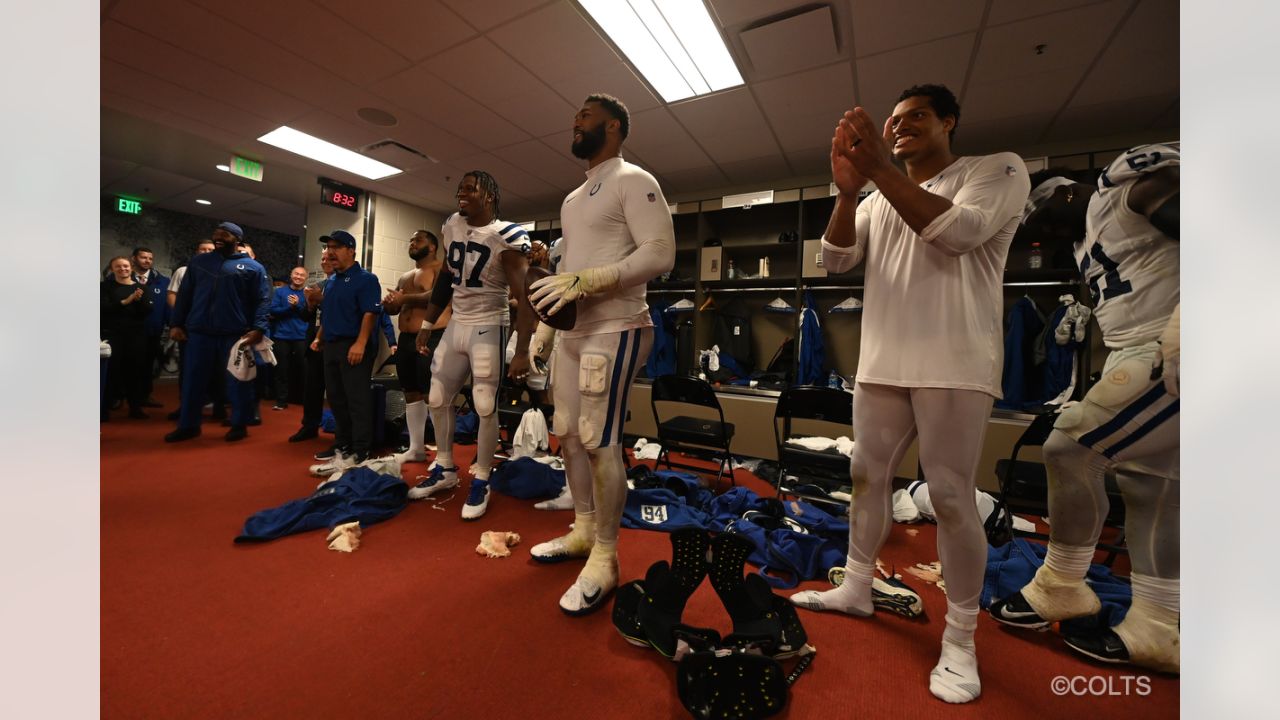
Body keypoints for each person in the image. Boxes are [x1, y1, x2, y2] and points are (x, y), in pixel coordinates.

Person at [784, 85, 1030, 703]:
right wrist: (847, 192)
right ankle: (858, 587)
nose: (900, 126)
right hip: (882, 362)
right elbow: (836, 261)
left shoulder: (993, 169)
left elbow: (958, 232)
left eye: (916, 115)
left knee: (949, 496)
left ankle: (960, 637)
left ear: (949, 121)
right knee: (867, 477)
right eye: (893, 120)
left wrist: (877, 172)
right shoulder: (874, 196)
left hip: (955, 361)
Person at [989, 144, 1180, 674]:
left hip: (1172, 342)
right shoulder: (1084, 238)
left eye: (1042, 215)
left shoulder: (1124, 188)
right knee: (1152, 485)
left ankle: (1062, 583)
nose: (1042, 233)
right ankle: (1159, 626)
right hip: (1142, 348)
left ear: (1067, 189)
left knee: (1070, 445)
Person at [524, 93, 676, 616]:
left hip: (620, 324)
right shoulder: (572, 199)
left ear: (613, 127)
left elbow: (660, 253)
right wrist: (546, 328)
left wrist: (591, 280)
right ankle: (585, 532)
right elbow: (570, 273)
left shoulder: (634, 180)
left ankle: (607, 559)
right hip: (575, 331)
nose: (575, 121)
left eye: (586, 116)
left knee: (597, 437)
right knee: (566, 432)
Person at [407, 171, 536, 521]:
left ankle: (481, 476)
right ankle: (446, 468)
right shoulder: (451, 224)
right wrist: (429, 324)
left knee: (483, 404)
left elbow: (525, 297)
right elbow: (448, 276)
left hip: (489, 324)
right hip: (458, 323)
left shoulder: (505, 236)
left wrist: (522, 349)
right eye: (459, 188)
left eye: (470, 189)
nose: (461, 194)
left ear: (489, 196)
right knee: (436, 397)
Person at [165, 222, 271, 442]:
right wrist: (176, 323)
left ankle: (239, 424)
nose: (218, 237)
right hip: (199, 333)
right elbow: (184, 295)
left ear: (238, 240)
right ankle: (188, 425)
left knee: (238, 381)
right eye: (216, 234)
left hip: (234, 334)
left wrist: (259, 328)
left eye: (225, 234)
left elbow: (262, 301)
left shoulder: (253, 267)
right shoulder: (199, 262)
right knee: (192, 381)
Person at [311, 230, 383, 467]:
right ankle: (342, 443)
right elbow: (329, 313)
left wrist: (361, 343)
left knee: (357, 399)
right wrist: (320, 338)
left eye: (337, 247)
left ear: (351, 250)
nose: (331, 251)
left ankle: (361, 448)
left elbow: (370, 313)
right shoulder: (331, 280)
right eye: (329, 246)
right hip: (331, 345)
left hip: (354, 345)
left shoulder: (366, 278)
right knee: (335, 398)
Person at [381, 230, 452, 464]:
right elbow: (397, 308)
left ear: (432, 247)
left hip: (433, 336)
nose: (412, 243)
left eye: (418, 240)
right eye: (410, 240)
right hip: (406, 339)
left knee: (433, 395)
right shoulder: (405, 276)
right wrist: (390, 304)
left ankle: (443, 454)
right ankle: (416, 448)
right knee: (410, 392)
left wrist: (405, 299)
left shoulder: (441, 269)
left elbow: (439, 296)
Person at [165, 239, 217, 422]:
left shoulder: (222, 269)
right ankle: (185, 407)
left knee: (213, 369)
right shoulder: (183, 270)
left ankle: (213, 406)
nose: (206, 252)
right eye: (203, 249)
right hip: (189, 327)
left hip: (213, 329)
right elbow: (172, 295)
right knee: (188, 369)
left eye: (210, 249)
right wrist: (179, 321)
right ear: (197, 251)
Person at [288, 251, 335, 443]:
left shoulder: (342, 284)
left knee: (335, 391)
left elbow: (340, 309)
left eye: (329, 258)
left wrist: (321, 300)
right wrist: (308, 304)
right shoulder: (318, 286)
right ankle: (309, 426)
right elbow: (307, 316)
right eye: (322, 258)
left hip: (333, 343)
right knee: (312, 389)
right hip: (314, 344)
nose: (325, 262)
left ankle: (342, 431)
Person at [101, 256, 153, 419]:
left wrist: (137, 301)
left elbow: (146, 311)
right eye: (118, 266)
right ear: (112, 269)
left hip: (135, 336)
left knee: (135, 372)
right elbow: (104, 308)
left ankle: (135, 407)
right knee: (111, 372)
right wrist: (127, 301)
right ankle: (104, 408)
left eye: (125, 266)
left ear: (131, 268)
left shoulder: (142, 288)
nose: (122, 269)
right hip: (112, 335)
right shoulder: (105, 287)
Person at [130, 246, 169, 407]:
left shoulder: (163, 281)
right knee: (126, 365)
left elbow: (168, 307)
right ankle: (119, 396)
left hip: (152, 332)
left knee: (147, 366)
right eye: (143, 257)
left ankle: (145, 396)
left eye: (150, 258)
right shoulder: (122, 277)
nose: (147, 261)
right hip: (128, 331)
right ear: (134, 258)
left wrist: (171, 325)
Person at [269, 267, 310, 411]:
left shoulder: (308, 293)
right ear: (291, 275)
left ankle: (305, 401)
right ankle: (281, 401)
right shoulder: (280, 292)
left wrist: (297, 305)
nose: (298, 277)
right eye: (296, 274)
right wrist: (290, 308)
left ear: (306, 278)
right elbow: (273, 310)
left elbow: (308, 314)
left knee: (304, 370)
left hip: (301, 337)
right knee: (281, 370)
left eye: (302, 275)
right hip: (281, 336)